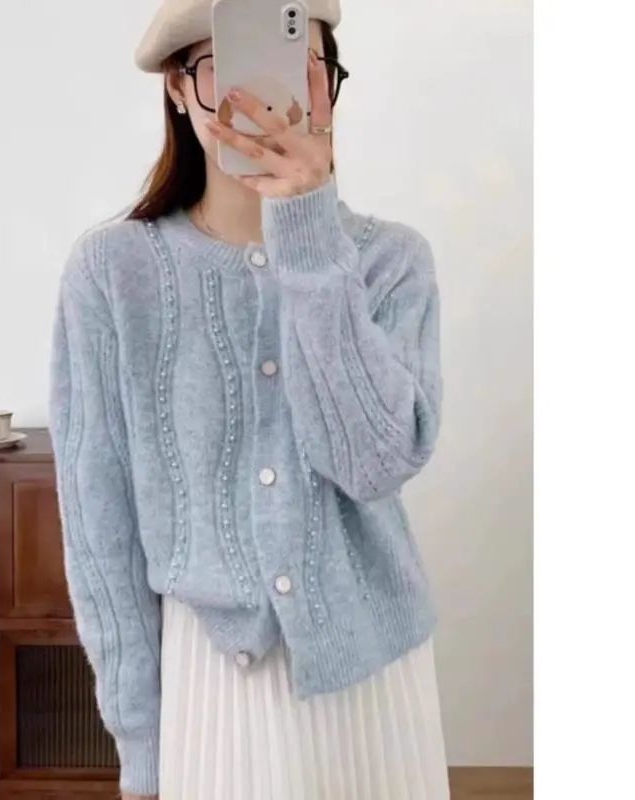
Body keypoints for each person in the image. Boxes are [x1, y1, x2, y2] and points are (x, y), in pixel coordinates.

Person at [48, 0, 450, 798]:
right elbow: (100, 531)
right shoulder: (112, 273)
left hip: (374, 674)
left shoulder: (393, 262)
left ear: (330, 87)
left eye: (298, 64)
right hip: (212, 680)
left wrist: (306, 230)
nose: (261, 94)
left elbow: (372, 465)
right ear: (177, 89)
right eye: (224, 64)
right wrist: (140, 741)